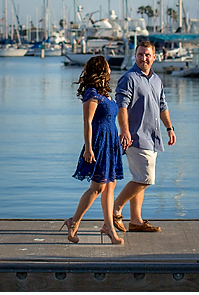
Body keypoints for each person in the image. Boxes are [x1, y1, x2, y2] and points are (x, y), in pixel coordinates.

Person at [112, 40, 176, 233]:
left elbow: (162, 106)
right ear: (135, 56)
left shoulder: (157, 80)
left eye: (147, 55)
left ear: (154, 57)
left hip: (153, 137)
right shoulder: (129, 78)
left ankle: (136, 221)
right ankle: (115, 208)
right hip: (136, 137)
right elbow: (121, 106)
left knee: (140, 179)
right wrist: (124, 131)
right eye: (140, 54)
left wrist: (170, 128)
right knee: (146, 178)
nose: (143, 58)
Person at [62, 55, 125, 245]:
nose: (110, 69)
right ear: (101, 70)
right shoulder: (91, 93)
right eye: (107, 66)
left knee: (110, 186)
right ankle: (73, 221)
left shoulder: (105, 93)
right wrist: (88, 149)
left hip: (111, 143)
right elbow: (87, 122)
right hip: (99, 143)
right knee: (97, 187)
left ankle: (109, 228)